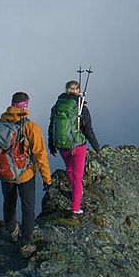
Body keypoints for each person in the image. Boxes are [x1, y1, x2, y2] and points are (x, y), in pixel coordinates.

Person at [0, 91, 52, 255]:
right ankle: (25, 244)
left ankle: (12, 231)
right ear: (26, 106)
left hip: (5, 173)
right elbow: (40, 154)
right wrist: (47, 179)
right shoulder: (30, 127)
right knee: (28, 208)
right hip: (25, 174)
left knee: (9, 202)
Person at [49, 79, 102, 216]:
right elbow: (88, 129)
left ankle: (75, 193)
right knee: (78, 176)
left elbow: (52, 127)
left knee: (70, 169)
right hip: (78, 146)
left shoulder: (57, 106)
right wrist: (97, 147)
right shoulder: (81, 108)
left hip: (62, 145)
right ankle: (75, 207)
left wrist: (52, 146)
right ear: (77, 90)